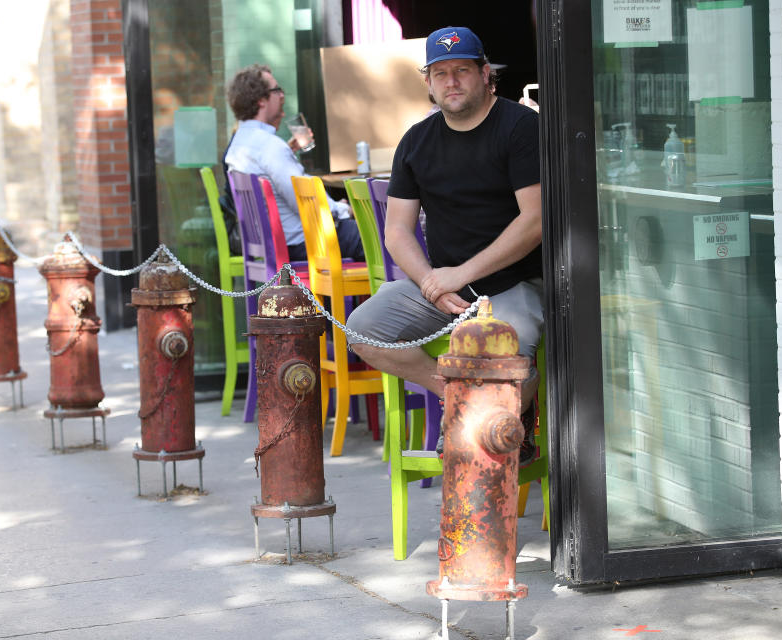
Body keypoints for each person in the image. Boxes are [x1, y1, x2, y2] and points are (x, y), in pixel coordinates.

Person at [345, 26, 544, 459]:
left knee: (513, 350)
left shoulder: (521, 127)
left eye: (462, 70)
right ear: (428, 83)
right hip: (444, 290)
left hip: (513, 284)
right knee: (361, 331)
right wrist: (432, 282)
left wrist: (461, 275)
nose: (451, 81)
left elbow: (536, 220)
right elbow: (396, 231)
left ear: (485, 73)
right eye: (440, 73)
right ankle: (459, 398)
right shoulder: (417, 140)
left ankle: (493, 421)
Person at [224, 64, 365, 262]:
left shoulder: (239, 143)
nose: (282, 95)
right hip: (307, 242)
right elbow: (306, 201)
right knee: (384, 237)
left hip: (279, 245)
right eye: (276, 90)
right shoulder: (269, 146)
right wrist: (346, 210)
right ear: (260, 101)